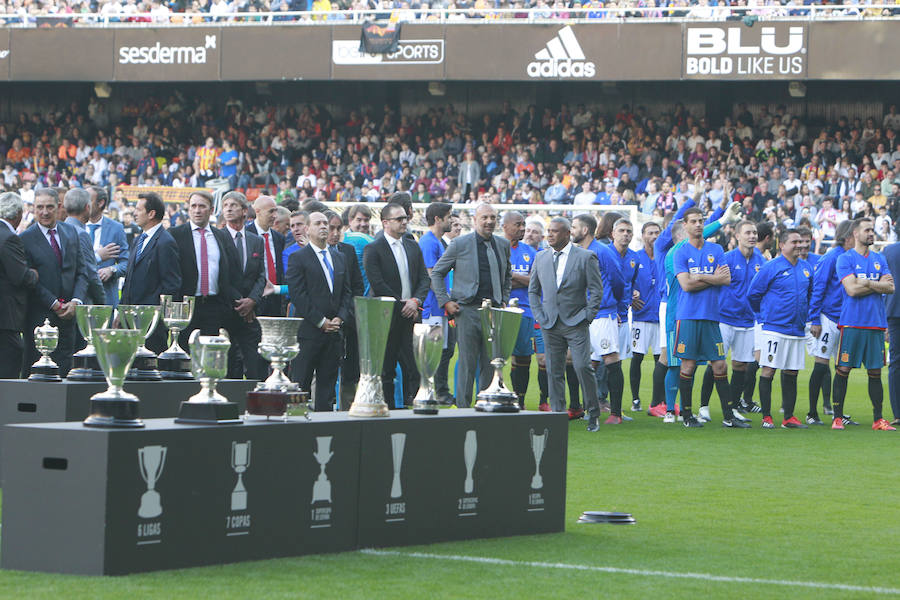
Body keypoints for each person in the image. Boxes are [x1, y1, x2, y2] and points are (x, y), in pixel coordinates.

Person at [430, 203, 512, 408]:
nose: (489, 221)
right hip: (466, 310)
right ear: (475, 220)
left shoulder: (502, 244)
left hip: (493, 312)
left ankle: (484, 405)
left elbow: (507, 275)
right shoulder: (459, 244)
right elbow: (437, 273)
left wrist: (503, 297)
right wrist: (446, 301)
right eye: (484, 217)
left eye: (493, 217)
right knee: (467, 363)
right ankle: (463, 410)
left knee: (489, 363)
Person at [673, 207, 748, 428]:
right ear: (685, 225)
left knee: (720, 366)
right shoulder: (681, 251)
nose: (698, 224)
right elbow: (686, 285)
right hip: (688, 316)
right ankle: (687, 416)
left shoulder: (716, 248)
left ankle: (728, 416)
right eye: (693, 221)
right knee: (688, 367)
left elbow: (726, 280)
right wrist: (712, 277)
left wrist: (700, 276)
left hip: (712, 317)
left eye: (701, 221)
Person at [528, 217, 604, 432]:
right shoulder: (541, 257)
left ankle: (593, 413)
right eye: (548, 231)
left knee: (582, 366)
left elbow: (597, 290)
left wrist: (587, 315)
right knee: (553, 370)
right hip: (549, 323)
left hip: (576, 322)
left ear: (567, 233)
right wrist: (540, 315)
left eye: (554, 231)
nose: (549, 235)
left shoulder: (586, 257)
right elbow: (533, 291)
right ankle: (558, 414)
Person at [830, 218, 896, 431]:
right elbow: (852, 290)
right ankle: (837, 417)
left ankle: (878, 419)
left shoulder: (879, 258)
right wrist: (877, 285)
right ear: (855, 234)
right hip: (852, 323)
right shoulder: (845, 259)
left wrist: (866, 282)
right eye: (867, 230)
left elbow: (891, 288)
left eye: (872, 229)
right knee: (843, 369)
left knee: (875, 372)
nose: (871, 233)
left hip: (876, 323)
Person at [364, 203, 430, 407]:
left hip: (411, 316)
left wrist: (415, 301)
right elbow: (377, 283)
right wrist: (403, 304)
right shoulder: (374, 249)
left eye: (405, 218)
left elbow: (423, 279)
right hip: (387, 317)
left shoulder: (412, 246)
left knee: (416, 366)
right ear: (385, 222)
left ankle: (414, 406)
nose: (404, 222)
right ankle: (388, 408)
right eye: (399, 219)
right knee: (387, 367)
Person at [286, 211, 353, 412]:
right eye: (318, 223)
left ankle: (324, 429)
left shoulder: (339, 257)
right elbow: (299, 296)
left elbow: (346, 292)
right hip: (309, 333)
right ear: (307, 229)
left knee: (327, 388)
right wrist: (321, 321)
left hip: (334, 334)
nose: (324, 227)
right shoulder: (298, 258)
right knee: (301, 385)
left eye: (325, 223)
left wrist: (340, 318)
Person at [747, 229, 814, 429]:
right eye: (794, 242)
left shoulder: (806, 268)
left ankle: (789, 417)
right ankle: (767, 416)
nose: (799, 245)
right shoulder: (771, 267)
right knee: (768, 370)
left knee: (792, 372)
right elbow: (753, 295)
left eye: (801, 242)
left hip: (797, 330)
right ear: (782, 245)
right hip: (774, 328)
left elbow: (809, 295)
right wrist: (764, 316)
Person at [700, 220, 763, 424]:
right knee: (716, 362)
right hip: (724, 319)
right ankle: (703, 407)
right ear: (737, 236)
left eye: (754, 232)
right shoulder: (726, 259)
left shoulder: (760, 260)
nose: (752, 236)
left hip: (747, 320)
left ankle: (734, 407)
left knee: (741, 366)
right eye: (748, 232)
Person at [20, 188, 87, 377]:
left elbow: (82, 272)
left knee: (66, 373)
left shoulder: (71, 232)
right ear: (33, 208)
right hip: (40, 319)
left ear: (59, 207)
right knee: (38, 376)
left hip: (69, 318)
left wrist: (76, 301)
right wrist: (54, 304)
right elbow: (29, 281)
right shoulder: (25, 239)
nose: (45, 212)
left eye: (49, 207)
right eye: (40, 207)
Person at [169, 190, 241, 349]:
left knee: (211, 356)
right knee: (185, 357)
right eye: (193, 206)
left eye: (202, 206)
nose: (197, 210)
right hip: (186, 306)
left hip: (214, 306)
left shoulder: (221, 236)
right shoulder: (175, 234)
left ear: (212, 210)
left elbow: (231, 271)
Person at [571, 214, 624, 422]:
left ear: (585, 230)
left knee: (610, 358)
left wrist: (615, 304)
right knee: (584, 362)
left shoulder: (602, 251)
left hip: (602, 313)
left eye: (574, 227)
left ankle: (616, 413)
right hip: (581, 314)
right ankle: (587, 408)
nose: (571, 230)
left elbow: (618, 280)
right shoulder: (574, 252)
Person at [120, 192, 181, 355]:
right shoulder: (138, 239)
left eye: (139, 209)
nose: (134, 213)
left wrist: (157, 317)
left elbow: (171, 285)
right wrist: (121, 311)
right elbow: (129, 278)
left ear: (151, 213)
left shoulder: (165, 242)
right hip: (129, 318)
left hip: (151, 324)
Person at [806, 219, 854, 424]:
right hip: (828, 318)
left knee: (843, 367)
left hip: (847, 319)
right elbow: (819, 287)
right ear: (849, 235)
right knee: (821, 363)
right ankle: (812, 413)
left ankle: (838, 413)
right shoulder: (832, 256)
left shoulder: (852, 257)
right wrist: (814, 318)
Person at [221, 191, 266, 380]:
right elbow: (220, 275)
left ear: (245, 210)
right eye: (225, 206)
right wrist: (240, 302)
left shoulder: (257, 241)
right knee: (229, 367)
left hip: (251, 314)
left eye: (233, 205)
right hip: (226, 311)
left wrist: (252, 301)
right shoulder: (218, 237)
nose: (229, 209)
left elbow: (261, 276)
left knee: (256, 365)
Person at [327, 210, 364, 410]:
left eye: (338, 228)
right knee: (324, 369)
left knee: (349, 369)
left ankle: (346, 409)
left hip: (347, 319)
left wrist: (345, 313)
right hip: (322, 321)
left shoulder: (347, 251)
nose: (334, 233)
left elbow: (356, 285)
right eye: (331, 228)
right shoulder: (312, 253)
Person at [419, 202, 456, 405]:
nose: (451, 220)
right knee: (433, 352)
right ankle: (430, 391)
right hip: (433, 308)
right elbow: (431, 276)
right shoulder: (428, 243)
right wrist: (445, 301)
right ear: (438, 219)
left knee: (443, 351)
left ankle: (438, 391)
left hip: (439, 308)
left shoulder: (439, 242)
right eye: (449, 216)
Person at [502, 210, 539, 410]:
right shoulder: (497, 247)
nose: (522, 228)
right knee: (496, 357)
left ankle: (520, 400)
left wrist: (511, 276)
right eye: (518, 224)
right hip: (501, 309)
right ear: (505, 226)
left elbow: (535, 281)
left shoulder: (531, 252)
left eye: (523, 224)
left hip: (525, 311)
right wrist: (517, 280)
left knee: (524, 356)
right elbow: (498, 280)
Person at [0, 192, 38, 378]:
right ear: (18, 214)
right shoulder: (9, 238)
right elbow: (20, 277)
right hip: (6, 318)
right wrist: (34, 274)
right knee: (9, 371)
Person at [630, 221, 662, 414]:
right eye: (650, 233)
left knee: (661, 359)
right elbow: (626, 281)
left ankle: (658, 400)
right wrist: (630, 295)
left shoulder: (664, 257)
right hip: (641, 317)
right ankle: (635, 398)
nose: (654, 236)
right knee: (637, 358)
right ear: (643, 235)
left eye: (657, 233)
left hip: (660, 317)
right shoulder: (635, 258)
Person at [610, 218, 640, 419]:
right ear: (613, 233)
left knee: (617, 363)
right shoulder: (604, 254)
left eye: (629, 231)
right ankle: (592, 405)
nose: (625, 234)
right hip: (604, 316)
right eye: (621, 230)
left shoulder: (634, 258)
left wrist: (633, 294)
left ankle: (615, 408)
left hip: (623, 316)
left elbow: (631, 283)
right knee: (596, 363)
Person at [61, 188, 105, 307]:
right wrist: (103, 302)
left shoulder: (59, 229)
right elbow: (90, 273)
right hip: (81, 303)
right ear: (87, 208)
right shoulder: (80, 234)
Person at [87, 186, 129, 308]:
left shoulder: (116, 228)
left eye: (88, 200)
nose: (84, 203)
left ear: (101, 203)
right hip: (81, 298)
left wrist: (111, 270)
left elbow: (126, 263)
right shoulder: (75, 227)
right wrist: (98, 256)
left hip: (106, 299)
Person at [247, 195, 286, 318]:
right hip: (253, 299)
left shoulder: (278, 238)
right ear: (257, 211)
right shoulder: (246, 234)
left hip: (276, 299)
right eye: (271, 211)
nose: (275, 215)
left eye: (276, 211)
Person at [884, 238, 900, 425]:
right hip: (894, 312)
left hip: (894, 312)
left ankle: (897, 413)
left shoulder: (889, 251)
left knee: (895, 361)